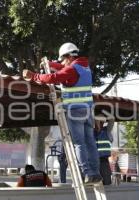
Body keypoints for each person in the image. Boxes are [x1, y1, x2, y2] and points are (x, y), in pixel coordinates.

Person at [23, 42, 102, 184]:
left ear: (69, 57)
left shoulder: (71, 70)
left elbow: (53, 78)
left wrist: (33, 76)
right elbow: (65, 67)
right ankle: (95, 173)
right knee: (90, 143)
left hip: (75, 110)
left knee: (79, 144)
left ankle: (87, 173)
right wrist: (51, 64)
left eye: (63, 59)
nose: (62, 63)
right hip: (88, 111)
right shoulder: (84, 67)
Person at [94, 116, 114, 185]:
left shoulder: (107, 130)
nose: (99, 123)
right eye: (98, 122)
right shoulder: (91, 131)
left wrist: (104, 114)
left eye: (101, 122)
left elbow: (112, 120)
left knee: (106, 179)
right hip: (94, 160)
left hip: (103, 160)